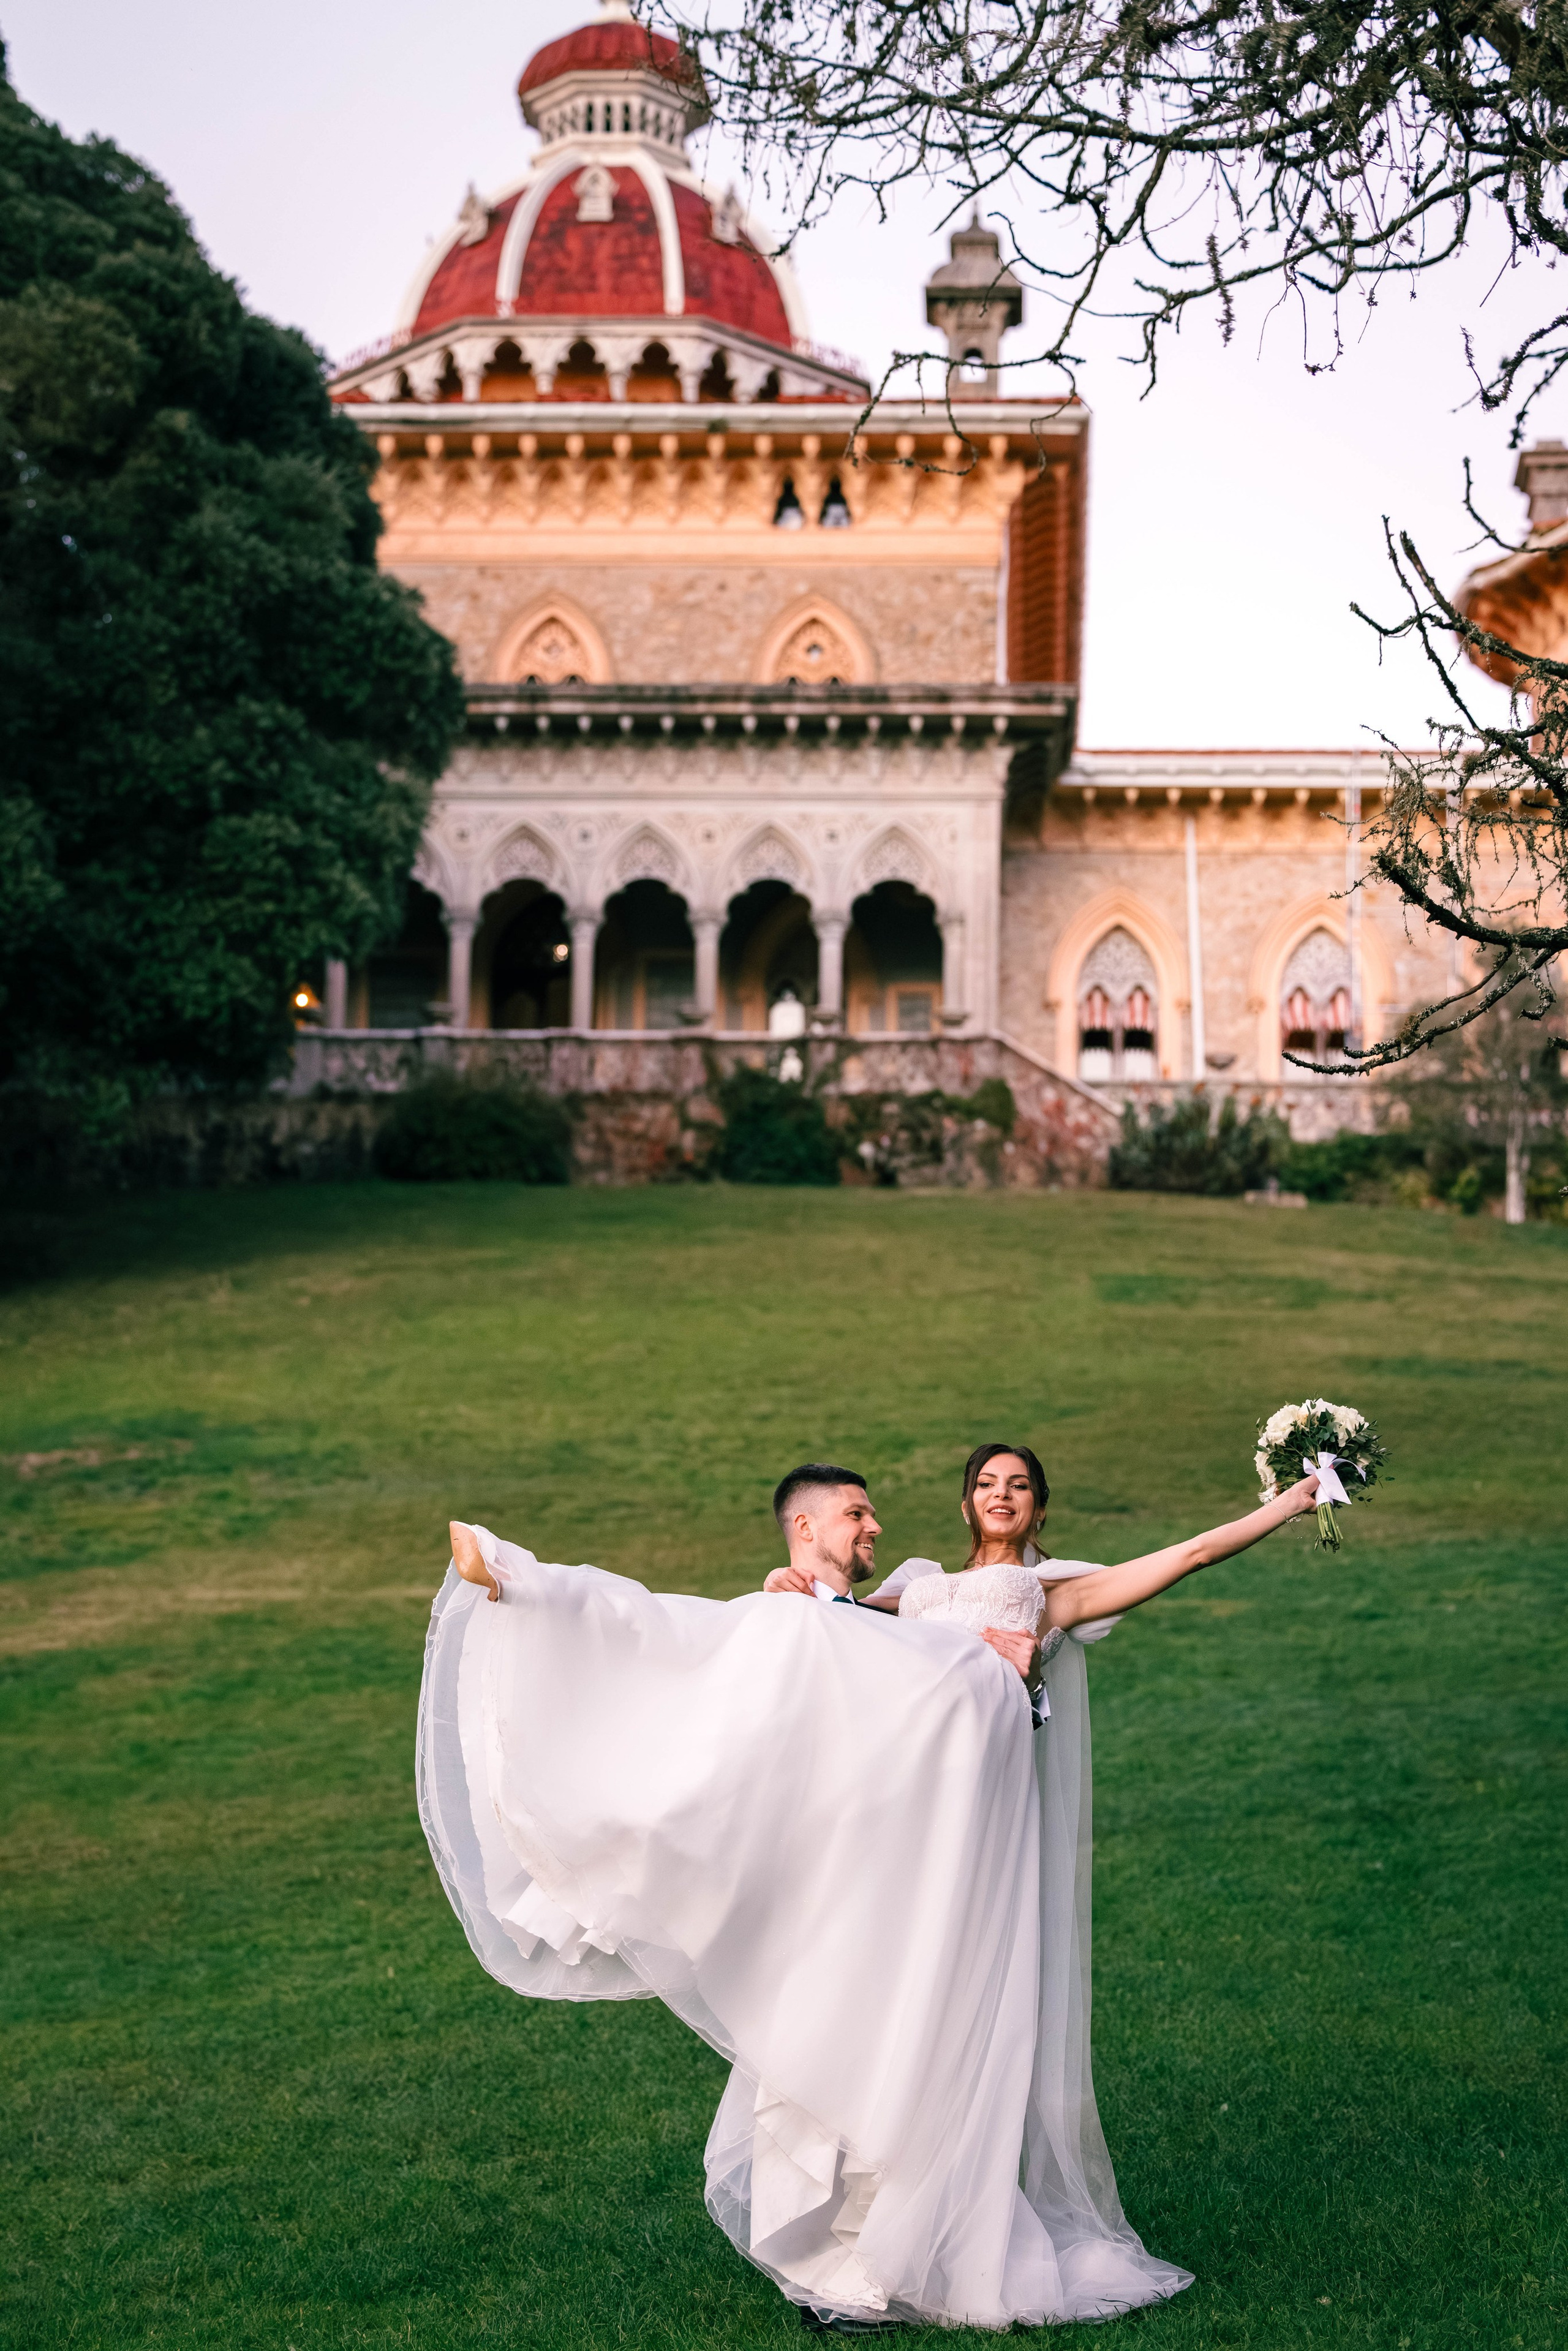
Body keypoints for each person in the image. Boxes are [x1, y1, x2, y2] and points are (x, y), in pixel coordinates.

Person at [425, 1457, 1321, 2334]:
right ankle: (542, 1608)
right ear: (968, 1502)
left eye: (1018, 1484)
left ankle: (894, 2244)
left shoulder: (1047, 1593)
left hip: (962, 1840)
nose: (999, 1495)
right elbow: (842, 1649)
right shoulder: (913, 1592)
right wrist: (807, 1593)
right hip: (887, 1831)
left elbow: (1191, 1553)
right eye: (985, 1483)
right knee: (843, 1992)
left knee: (919, 2018)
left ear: (1039, 1507)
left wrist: (1285, 1504)